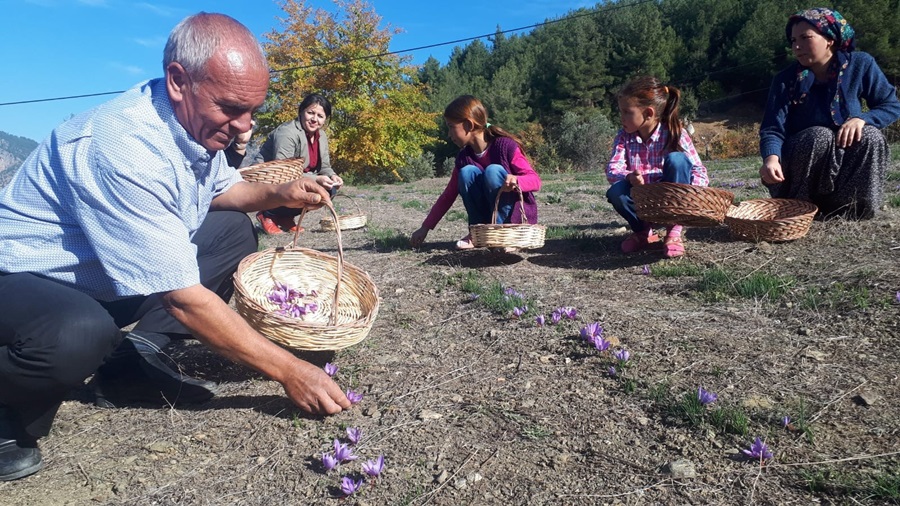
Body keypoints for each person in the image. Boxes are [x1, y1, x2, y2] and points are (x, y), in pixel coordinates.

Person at [0, 13, 352, 482]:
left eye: (253, 109)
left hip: (101, 270)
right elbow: (182, 299)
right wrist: (290, 371)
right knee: (78, 332)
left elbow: (224, 192)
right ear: (179, 81)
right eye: (230, 107)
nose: (244, 126)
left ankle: (129, 366)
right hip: (26, 277)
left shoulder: (192, 128)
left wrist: (281, 191)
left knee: (230, 230)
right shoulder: (125, 145)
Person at [759, 7, 900, 219]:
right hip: (802, 163)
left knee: (871, 136)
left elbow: (891, 105)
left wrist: (862, 118)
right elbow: (772, 128)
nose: (796, 46)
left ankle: (852, 208)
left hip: (845, 163)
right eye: (793, 40)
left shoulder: (860, 64)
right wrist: (771, 159)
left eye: (805, 38)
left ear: (830, 39)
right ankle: (801, 208)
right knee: (819, 135)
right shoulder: (785, 80)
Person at [410, 95, 541, 250]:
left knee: (493, 171)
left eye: (451, 126)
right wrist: (425, 227)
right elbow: (448, 195)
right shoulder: (464, 158)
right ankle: (478, 233)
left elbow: (535, 181)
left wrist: (516, 181)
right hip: (486, 225)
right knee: (467, 173)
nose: (448, 133)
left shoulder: (505, 146)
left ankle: (505, 234)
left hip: (515, 224)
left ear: (468, 125)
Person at [605, 76, 709, 258]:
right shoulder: (624, 137)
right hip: (642, 199)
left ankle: (674, 230)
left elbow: (698, 170)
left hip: (671, 199)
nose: (621, 118)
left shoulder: (675, 133)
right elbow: (613, 169)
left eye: (627, 112)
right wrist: (629, 177)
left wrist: (694, 196)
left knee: (677, 160)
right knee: (616, 192)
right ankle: (643, 231)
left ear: (648, 113)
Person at [250, 94, 344, 234]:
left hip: (298, 177)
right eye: (310, 113)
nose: (314, 119)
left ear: (325, 119)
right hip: (270, 178)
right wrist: (316, 179)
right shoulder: (287, 132)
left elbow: (324, 166)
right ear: (301, 112)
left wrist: (332, 176)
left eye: (320, 116)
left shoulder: (321, 136)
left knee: (330, 190)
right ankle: (267, 213)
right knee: (310, 187)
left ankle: (285, 217)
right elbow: (283, 171)